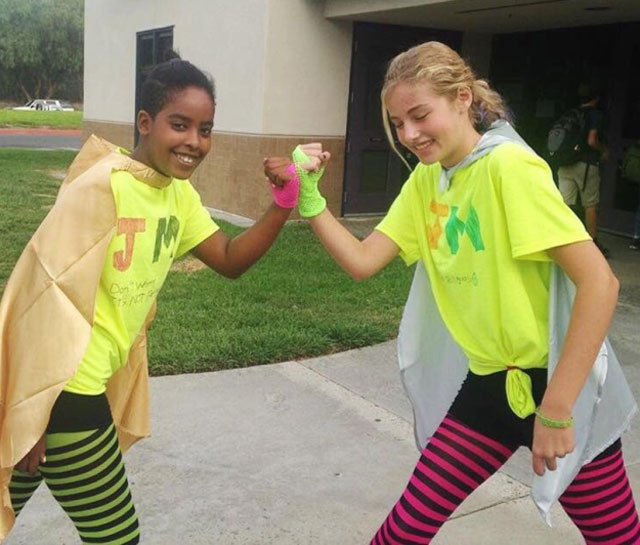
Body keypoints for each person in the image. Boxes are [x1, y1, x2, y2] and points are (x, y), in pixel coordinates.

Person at [265, 41, 639, 544]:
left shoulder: (509, 168)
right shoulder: (428, 181)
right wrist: (309, 199)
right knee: (402, 532)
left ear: (462, 98)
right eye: (398, 123)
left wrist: (555, 408)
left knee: (616, 538)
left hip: (557, 385)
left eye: (420, 115)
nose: (410, 134)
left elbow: (600, 282)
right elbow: (362, 261)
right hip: (488, 387)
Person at [0, 54, 301, 543]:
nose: (194, 143)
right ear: (146, 122)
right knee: (119, 538)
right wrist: (33, 413)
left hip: (85, 387)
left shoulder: (176, 195)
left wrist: (284, 201)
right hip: (67, 390)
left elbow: (228, 258)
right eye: (179, 125)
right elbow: (41, 298)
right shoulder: (101, 187)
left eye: (205, 130)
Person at [557, 83, 610, 256]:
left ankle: (562, 240)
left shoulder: (570, 113)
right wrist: (604, 151)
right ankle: (593, 245)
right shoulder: (595, 115)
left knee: (565, 204)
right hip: (586, 165)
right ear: (596, 99)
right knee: (590, 206)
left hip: (565, 164)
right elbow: (592, 140)